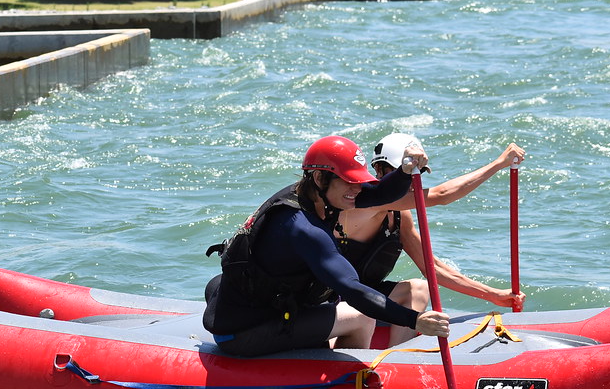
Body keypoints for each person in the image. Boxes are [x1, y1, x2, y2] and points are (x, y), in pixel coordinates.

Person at [202, 135, 449, 357]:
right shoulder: (303, 227)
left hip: (251, 309)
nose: (358, 190)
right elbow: (352, 290)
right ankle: (344, 388)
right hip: (246, 334)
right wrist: (414, 320)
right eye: (350, 182)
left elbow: (382, 193)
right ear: (320, 177)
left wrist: (405, 171)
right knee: (362, 317)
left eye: (359, 181)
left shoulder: (313, 195)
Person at [337, 133, 527, 345]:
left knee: (418, 289)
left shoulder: (402, 216)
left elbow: (433, 268)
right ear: (380, 171)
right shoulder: (360, 204)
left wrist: (493, 295)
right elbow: (442, 195)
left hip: (367, 296)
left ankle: (397, 359)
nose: (411, 182)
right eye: (407, 173)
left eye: (417, 174)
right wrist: (499, 163)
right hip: (334, 299)